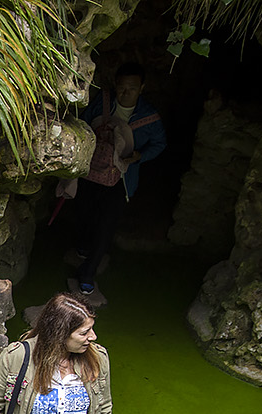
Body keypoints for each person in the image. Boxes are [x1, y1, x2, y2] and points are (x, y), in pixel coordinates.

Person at [72, 61, 167, 296]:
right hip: (90, 171)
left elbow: (160, 143)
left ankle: (88, 273)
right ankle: (83, 245)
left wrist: (139, 156)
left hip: (120, 179)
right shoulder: (103, 102)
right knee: (84, 212)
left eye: (132, 88)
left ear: (142, 88)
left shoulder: (149, 117)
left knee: (106, 224)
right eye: (122, 87)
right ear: (115, 85)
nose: (126, 92)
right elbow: (82, 122)